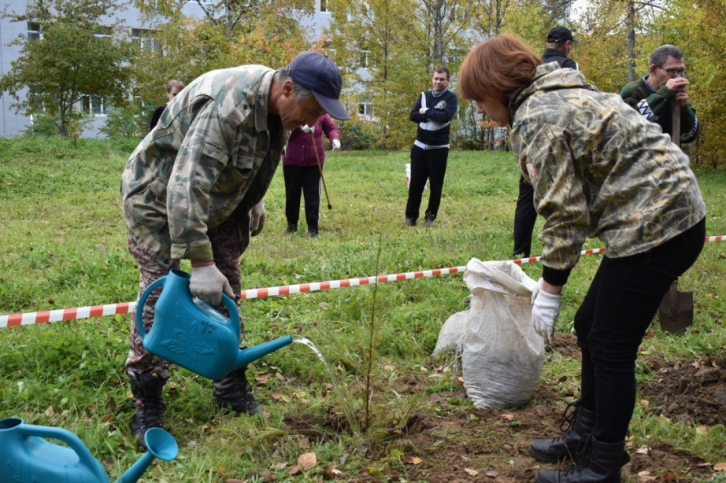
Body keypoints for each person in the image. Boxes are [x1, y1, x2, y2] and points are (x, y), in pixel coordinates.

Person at [459, 34, 705, 483]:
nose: (479, 110)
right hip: (654, 216)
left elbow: (564, 212)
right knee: (591, 325)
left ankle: (603, 463)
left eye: (479, 99)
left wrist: (550, 290)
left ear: (497, 86)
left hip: (661, 224)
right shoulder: (558, 88)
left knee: (610, 343)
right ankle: (585, 434)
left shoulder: (538, 117)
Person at [121, 51, 349, 450]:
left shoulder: (280, 106)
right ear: (289, 88)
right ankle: (147, 395)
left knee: (229, 283)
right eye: (310, 110)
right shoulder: (229, 108)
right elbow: (185, 185)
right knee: (160, 294)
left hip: (217, 200)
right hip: (158, 200)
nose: (312, 122)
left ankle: (228, 381)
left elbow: (256, 155)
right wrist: (201, 262)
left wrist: (252, 197)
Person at [513, 26, 578, 259]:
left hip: (530, 136)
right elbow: (574, 100)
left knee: (527, 195)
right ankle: (557, 252)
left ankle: (520, 252)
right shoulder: (569, 66)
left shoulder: (532, 64)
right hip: (558, 138)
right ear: (567, 45)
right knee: (561, 195)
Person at [404, 67, 458, 227]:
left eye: (441, 79)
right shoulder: (424, 96)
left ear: (448, 80)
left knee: (436, 185)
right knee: (415, 184)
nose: (438, 82)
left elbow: (446, 117)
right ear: (432, 79)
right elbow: (413, 115)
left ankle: (430, 218)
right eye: (436, 78)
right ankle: (410, 217)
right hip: (419, 147)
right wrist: (434, 116)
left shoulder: (451, 98)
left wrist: (427, 111)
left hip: (439, 149)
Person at [621, 44, 700, 144]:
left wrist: (684, 109)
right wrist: (664, 94)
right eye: (672, 71)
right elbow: (630, 128)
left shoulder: (675, 94)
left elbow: (689, 137)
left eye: (681, 71)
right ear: (653, 69)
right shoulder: (633, 91)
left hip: (670, 158)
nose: (679, 78)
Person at [283, 114, 341, 238]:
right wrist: (300, 126)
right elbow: (285, 123)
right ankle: (291, 225)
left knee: (313, 194)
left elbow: (331, 128)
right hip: (292, 160)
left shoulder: (321, 114)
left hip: (314, 161)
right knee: (292, 193)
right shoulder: (293, 110)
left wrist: (334, 139)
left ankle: (313, 227)